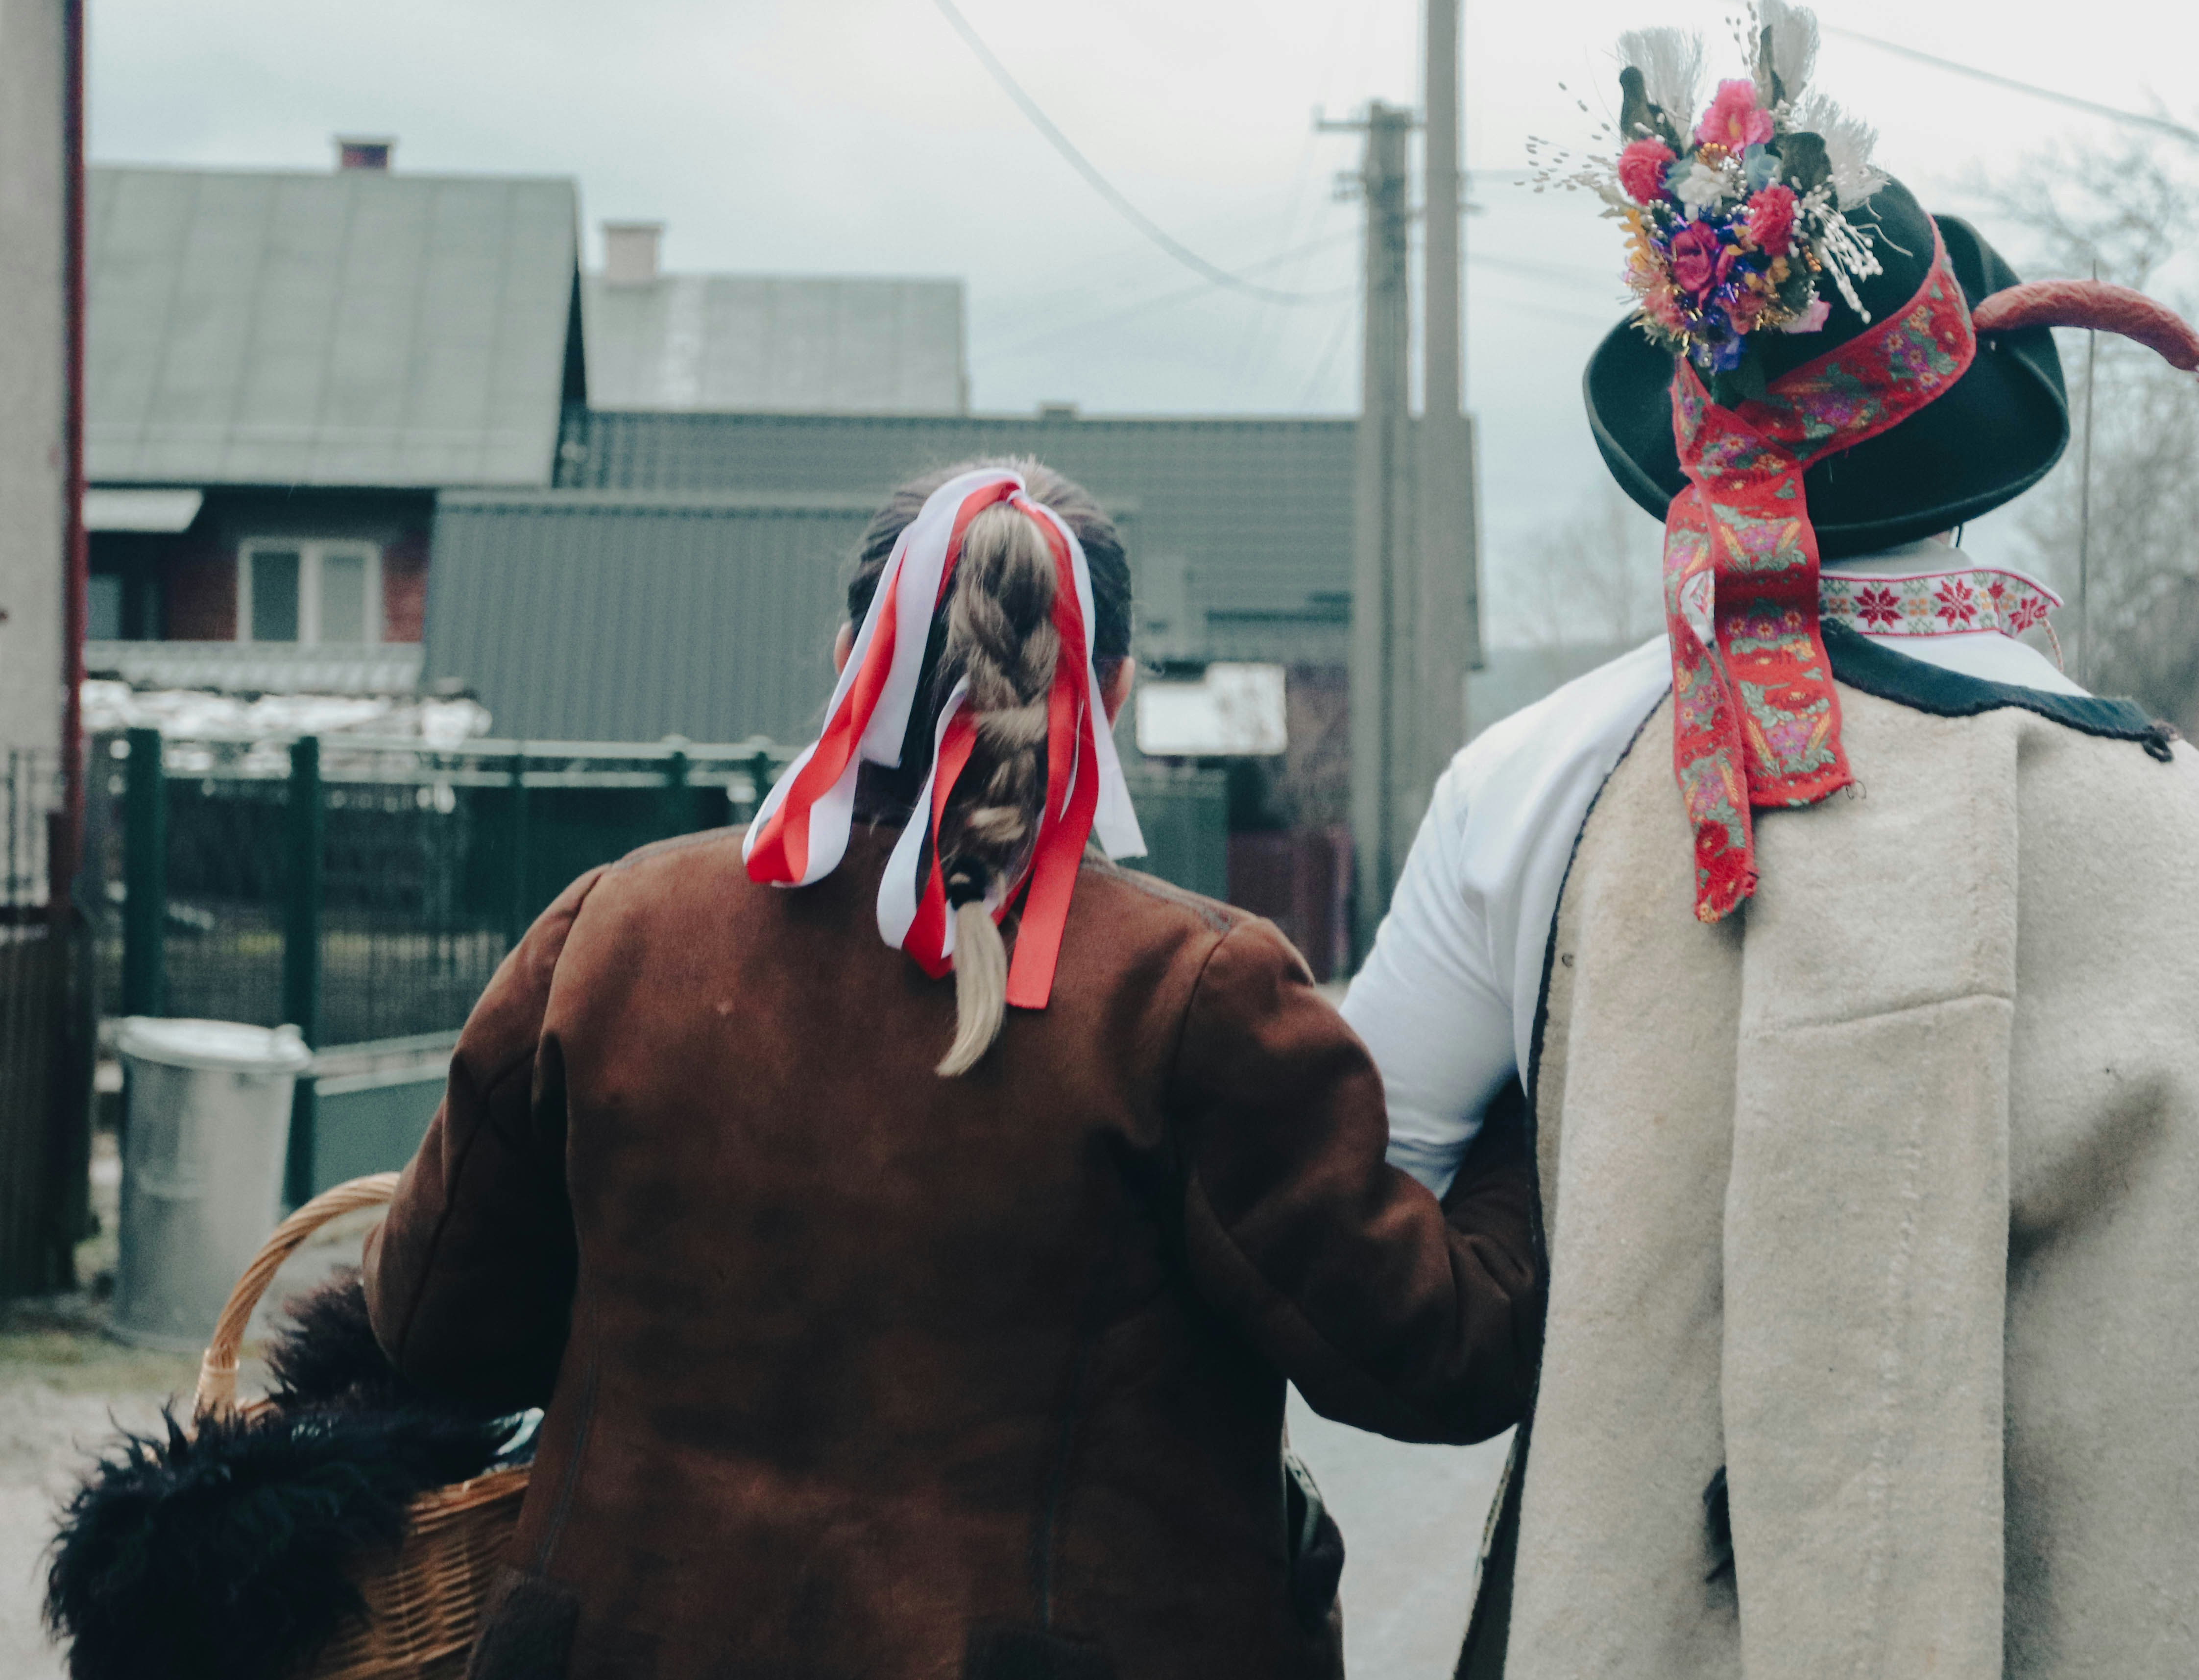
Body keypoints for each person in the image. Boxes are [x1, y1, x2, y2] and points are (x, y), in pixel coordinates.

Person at [1342, 0, 2199, 1679]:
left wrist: (1582, 1182)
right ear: (1962, 463)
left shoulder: (1541, 779)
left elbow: (1359, 1195)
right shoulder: (2190, 828)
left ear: (1695, 447)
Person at [361, 459, 1540, 1680]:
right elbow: (1435, 1356)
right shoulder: (1197, 994)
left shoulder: (609, 932)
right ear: (1114, 691)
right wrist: (1529, 1082)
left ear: (845, 661)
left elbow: (436, 1329)